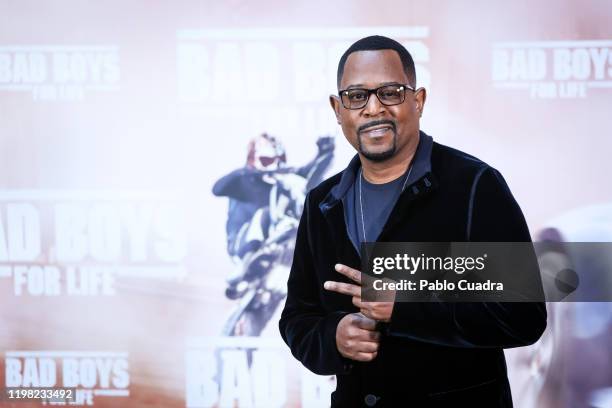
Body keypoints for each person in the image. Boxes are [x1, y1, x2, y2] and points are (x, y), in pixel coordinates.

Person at [278, 35, 547, 407]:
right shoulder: (323, 202)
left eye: (390, 92)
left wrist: (404, 307)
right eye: (356, 96)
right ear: (338, 109)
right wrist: (333, 337)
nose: (373, 108)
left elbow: (523, 315)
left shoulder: (474, 186)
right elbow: (297, 317)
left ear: (417, 101)